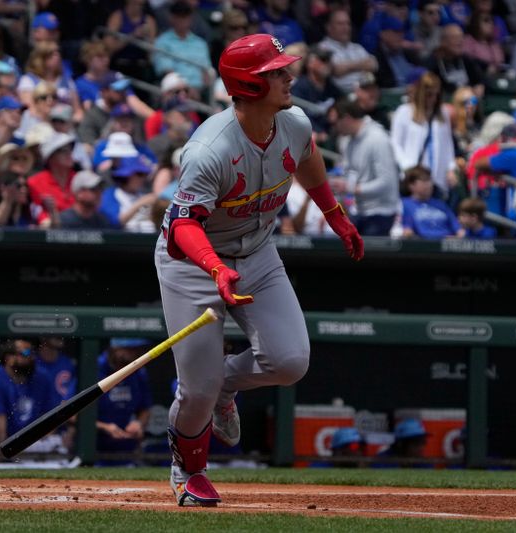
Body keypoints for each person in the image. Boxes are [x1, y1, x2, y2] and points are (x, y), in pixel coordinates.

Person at [154, 34, 363, 506]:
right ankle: (189, 471)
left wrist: (335, 215)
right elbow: (183, 227)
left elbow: (306, 156)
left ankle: (223, 386)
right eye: (275, 72)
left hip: (257, 253)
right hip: (192, 261)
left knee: (289, 361)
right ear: (249, 85)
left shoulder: (292, 121)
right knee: (197, 388)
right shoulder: (210, 149)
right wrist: (213, 269)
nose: (289, 76)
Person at [0, 339, 61, 454]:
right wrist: (3, 456)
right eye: (26, 353)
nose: (31, 357)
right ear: (8, 358)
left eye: (33, 353)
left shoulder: (42, 377)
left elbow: (51, 416)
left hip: (34, 447)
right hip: (2, 449)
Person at [331, 99, 400, 236]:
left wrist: (350, 188)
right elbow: (349, 175)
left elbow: (387, 183)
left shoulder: (378, 139)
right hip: (360, 212)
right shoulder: (346, 142)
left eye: (335, 123)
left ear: (346, 119)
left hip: (381, 213)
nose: (333, 128)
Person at [390, 71, 457, 198]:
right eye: (429, 95)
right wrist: (408, 167)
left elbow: (448, 145)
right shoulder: (404, 112)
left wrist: (451, 168)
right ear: (421, 93)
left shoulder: (442, 114)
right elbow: (395, 144)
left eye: (436, 95)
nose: (433, 99)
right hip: (414, 176)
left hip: (437, 178)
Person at [96, 337, 153, 465]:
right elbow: (71, 415)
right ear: (116, 349)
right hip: (94, 450)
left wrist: (138, 423)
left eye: (137, 349)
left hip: (127, 452)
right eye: (130, 349)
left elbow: (145, 408)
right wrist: (105, 427)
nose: (136, 354)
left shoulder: (138, 372)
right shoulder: (94, 367)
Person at [318, 8, 378, 94]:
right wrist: (361, 64)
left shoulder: (357, 47)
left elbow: (374, 64)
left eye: (348, 24)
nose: (345, 27)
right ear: (329, 27)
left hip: (365, 92)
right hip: (341, 95)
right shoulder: (323, 47)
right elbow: (336, 70)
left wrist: (347, 67)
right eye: (340, 24)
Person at [401, 165, 463, 239]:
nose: (429, 185)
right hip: (423, 245)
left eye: (430, 180)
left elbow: (458, 229)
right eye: (424, 181)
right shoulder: (405, 204)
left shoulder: (440, 204)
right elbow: (407, 232)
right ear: (411, 185)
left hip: (447, 243)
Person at [101, 157, 158, 233]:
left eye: (145, 174)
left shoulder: (142, 195)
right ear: (126, 176)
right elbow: (115, 223)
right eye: (139, 174)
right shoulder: (111, 195)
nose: (143, 178)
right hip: (122, 241)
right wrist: (140, 204)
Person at [35, 337, 76, 402]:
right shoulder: (33, 363)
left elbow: (72, 390)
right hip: (41, 409)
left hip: (64, 409)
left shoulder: (67, 363)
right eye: (49, 347)